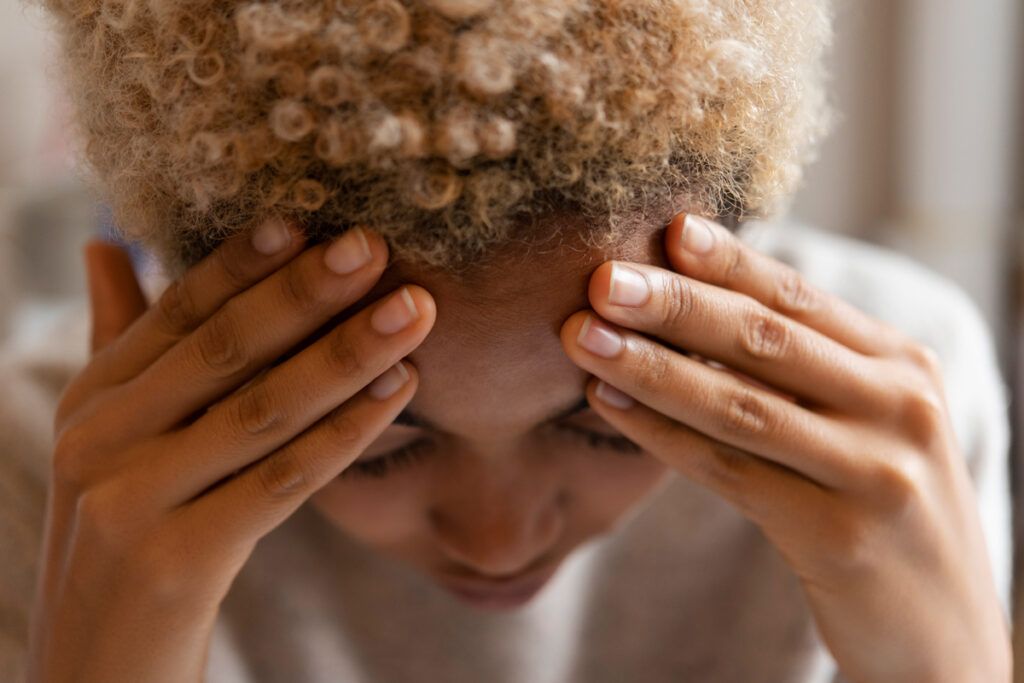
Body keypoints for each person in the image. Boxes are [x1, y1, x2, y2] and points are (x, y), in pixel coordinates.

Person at [0, 0, 1012, 680]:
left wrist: (942, 657)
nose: (499, 540)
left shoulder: (886, 422)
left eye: (614, 427)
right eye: (379, 442)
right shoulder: (60, 473)